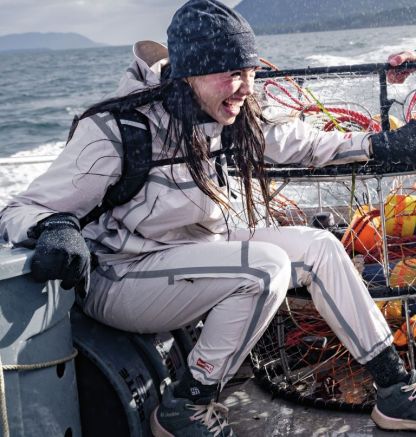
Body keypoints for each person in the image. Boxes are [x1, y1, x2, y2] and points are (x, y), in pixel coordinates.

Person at [1, 0, 416, 435]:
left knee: (320, 247)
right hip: (122, 278)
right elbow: (21, 210)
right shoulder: (120, 129)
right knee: (265, 268)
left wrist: (378, 145)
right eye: (232, 73)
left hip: (195, 256)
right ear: (190, 72)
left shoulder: (227, 114)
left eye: (249, 71)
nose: (245, 87)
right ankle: (187, 406)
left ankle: (394, 388)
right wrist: (55, 227)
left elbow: (302, 142)